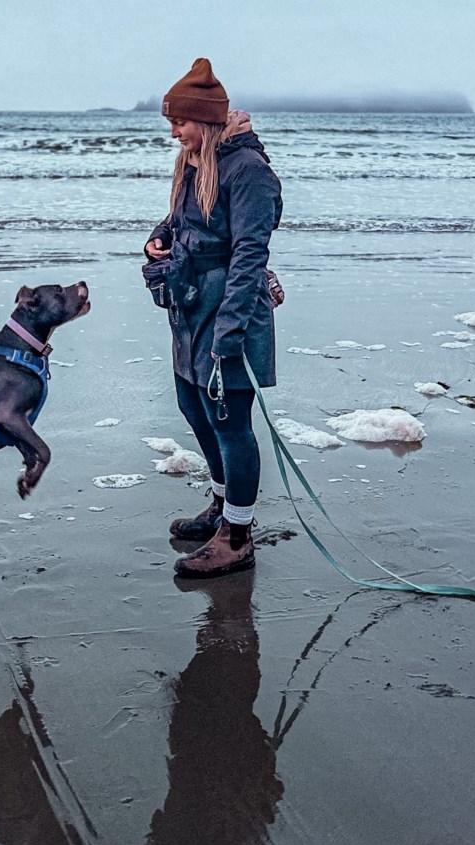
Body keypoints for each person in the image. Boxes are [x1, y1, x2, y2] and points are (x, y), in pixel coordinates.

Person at [145, 58, 283, 579]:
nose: (174, 132)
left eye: (179, 122)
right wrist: (159, 236)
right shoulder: (196, 160)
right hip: (190, 305)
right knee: (193, 406)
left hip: (231, 309)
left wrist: (231, 331)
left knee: (229, 422)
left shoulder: (248, 171)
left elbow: (250, 252)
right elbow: (184, 219)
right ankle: (222, 506)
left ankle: (238, 536)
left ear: (203, 119)